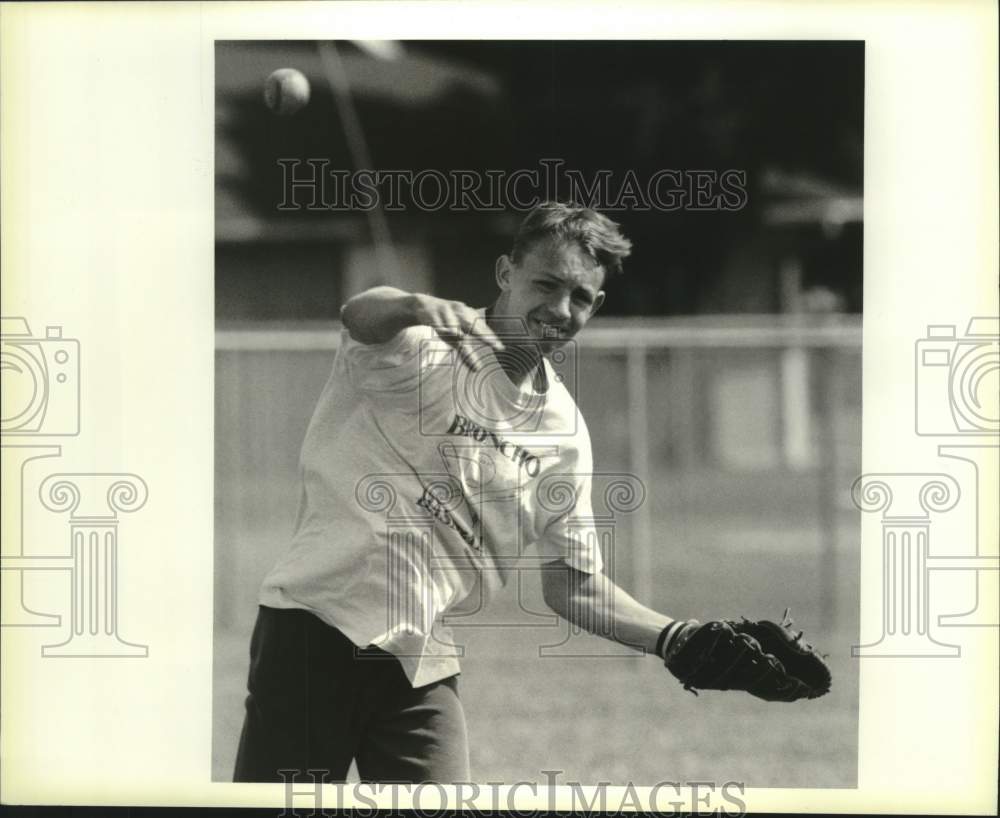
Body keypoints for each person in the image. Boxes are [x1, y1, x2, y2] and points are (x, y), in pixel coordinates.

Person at [233, 201, 692, 784]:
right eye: (545, 284)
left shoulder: (563, 432)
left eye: (579, 297)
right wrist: (414, 304)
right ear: (506, 273)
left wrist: (678, 638)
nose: (559, 309)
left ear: (596, 306)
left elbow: (572, 584)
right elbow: (358, 315)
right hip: (314, 627)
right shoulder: (418, 345)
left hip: (420, 655)